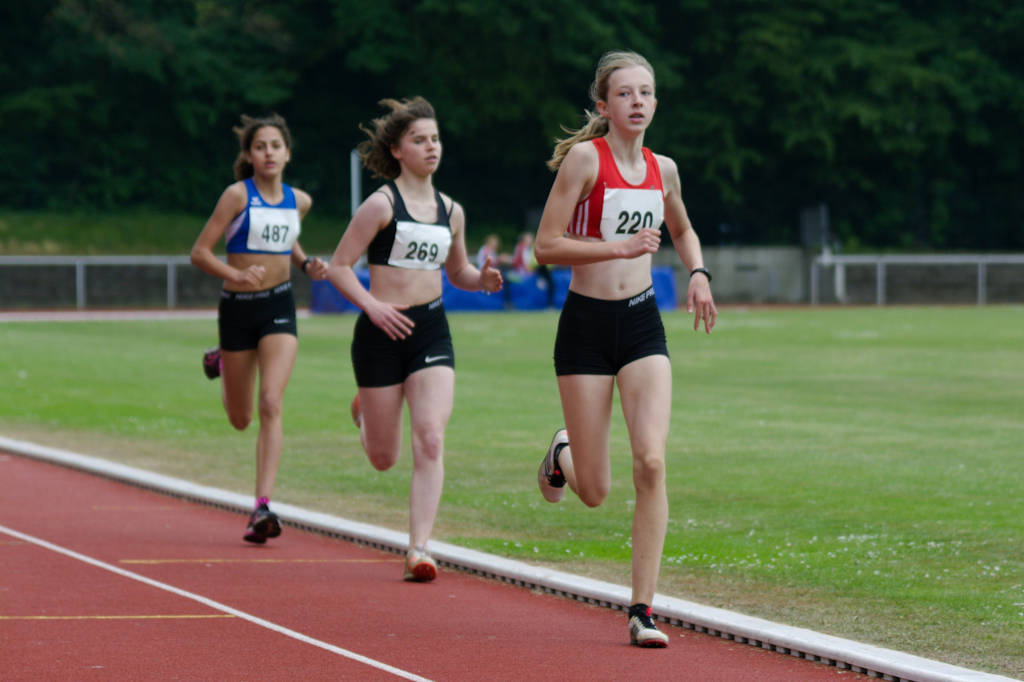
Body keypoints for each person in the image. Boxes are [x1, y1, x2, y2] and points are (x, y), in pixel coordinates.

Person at [532, 51, 717, 647]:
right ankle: (562, 452)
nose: (637, 102)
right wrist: (614, 249)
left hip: (641, 326)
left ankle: (642, 610)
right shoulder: (587, 160)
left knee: (652, 461)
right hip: (585, 327)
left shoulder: (664, 170)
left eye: (646, 92)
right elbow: (545, 245)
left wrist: (697, 273)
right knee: (594, 491)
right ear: (603, 106)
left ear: (656, 102)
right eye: (625, 94)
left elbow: (683, 229)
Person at [326, 97, 503, 582]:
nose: (431, 147)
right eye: (420, 140)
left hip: (429, 328)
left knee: (430, 437)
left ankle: (419, 548)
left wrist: (479, 280)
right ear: (398, 150)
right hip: (380, 331)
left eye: (435, 139)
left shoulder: (452, 211)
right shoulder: (380, 205)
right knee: (384, 459)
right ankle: (364, 411)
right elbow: (339, 267)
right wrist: (372, 305)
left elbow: (458, 270)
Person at [190, 113, 328, 544]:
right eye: (260, 146)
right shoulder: (236, 196)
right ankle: (221, 358)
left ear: (287, 153)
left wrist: (305, 264)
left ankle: (261, 506)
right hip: (237, 309)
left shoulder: (299, 200)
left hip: (278, 306)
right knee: (240, 417)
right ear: (249, 155)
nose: (269, 153)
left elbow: (285, 239)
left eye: (276, 146)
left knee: (271, 401)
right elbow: (199, 252)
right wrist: (231, 275)